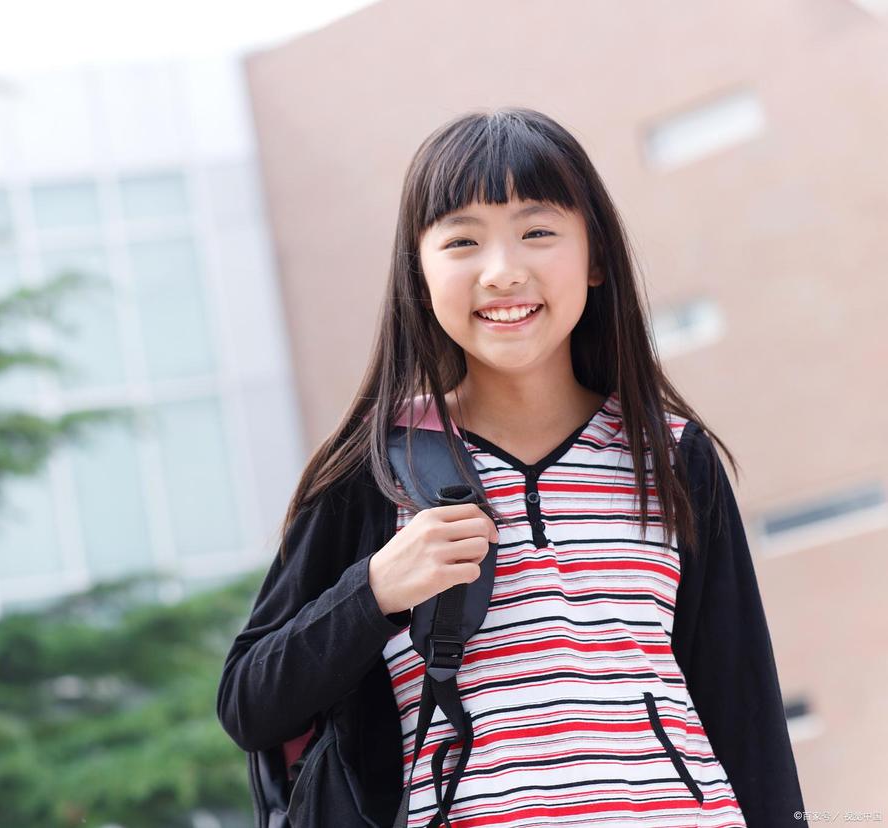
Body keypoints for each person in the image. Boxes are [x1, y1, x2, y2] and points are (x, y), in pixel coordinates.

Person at [215, 108, 806, 827]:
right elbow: (249, 701)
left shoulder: (671, 453)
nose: (503, 272)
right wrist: (374, 591)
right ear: (420, 272)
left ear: (594, 260)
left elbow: (743, 708)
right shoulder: (378, 466)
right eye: (462, 240)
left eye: (537, 232)